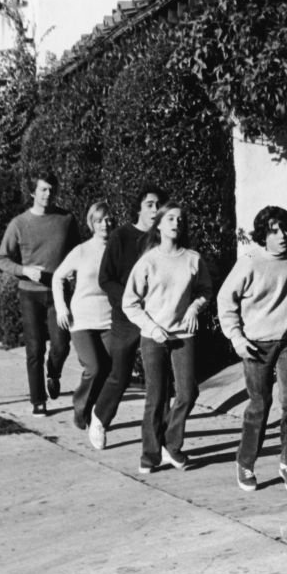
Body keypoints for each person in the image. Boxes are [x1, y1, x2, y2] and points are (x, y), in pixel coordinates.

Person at [217, 206, 287, 494]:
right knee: (260, 405)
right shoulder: (249, 263)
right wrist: (236, 337)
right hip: (255, 345)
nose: (282, 236)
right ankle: (245, 463)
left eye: (285, 229)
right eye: (274, 231)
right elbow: (225, 300)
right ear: (263, 235)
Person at [122, 202, 212, 473]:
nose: (176, 223)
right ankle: (150, 455)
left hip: (183, 335)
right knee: (156, 396)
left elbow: (205, 290)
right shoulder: (148, 262)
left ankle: (172, 445)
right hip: (154, 337)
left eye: (180, 219)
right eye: (170, 218)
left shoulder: (193, 259)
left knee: (188, 392)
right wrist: (151, 329)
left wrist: (195, 307)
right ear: (159, 225)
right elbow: (130, 303)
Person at [87, 182, 168, 449]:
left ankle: (162, 440)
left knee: (160, 379)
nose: (155, 210)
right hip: (126, 318)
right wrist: (128, 300)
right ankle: (99, 417)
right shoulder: (121, 236)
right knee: (120, 374)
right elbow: (105, 279)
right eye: (149, 205)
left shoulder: (164, 239)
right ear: (139, 209)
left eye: (158, 205)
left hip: (157, 318)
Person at [0, 170, 80, 416]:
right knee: (34, 349)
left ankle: (53, 373)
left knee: (62, 345)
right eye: (42, 189)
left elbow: (77, 252)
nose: (47, 194)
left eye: (51, 189)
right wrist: (24, 270)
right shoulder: (19, 224)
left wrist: (74, 270)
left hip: (59, 292)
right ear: (33, 192)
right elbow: (1, 258)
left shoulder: (66, 219)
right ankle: (38, 400)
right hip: (30, 293)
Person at [51, 201, 115, 430]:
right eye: (99, 220)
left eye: (107, 219)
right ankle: (80, 407)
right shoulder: (81, 251)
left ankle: (96, 413)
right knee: (94, 368)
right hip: (82, 320)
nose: (104, 225)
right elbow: (57, 277)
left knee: (110, 370)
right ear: (91, 224)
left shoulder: (119, 250)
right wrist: (61, 308)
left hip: (109, 319)